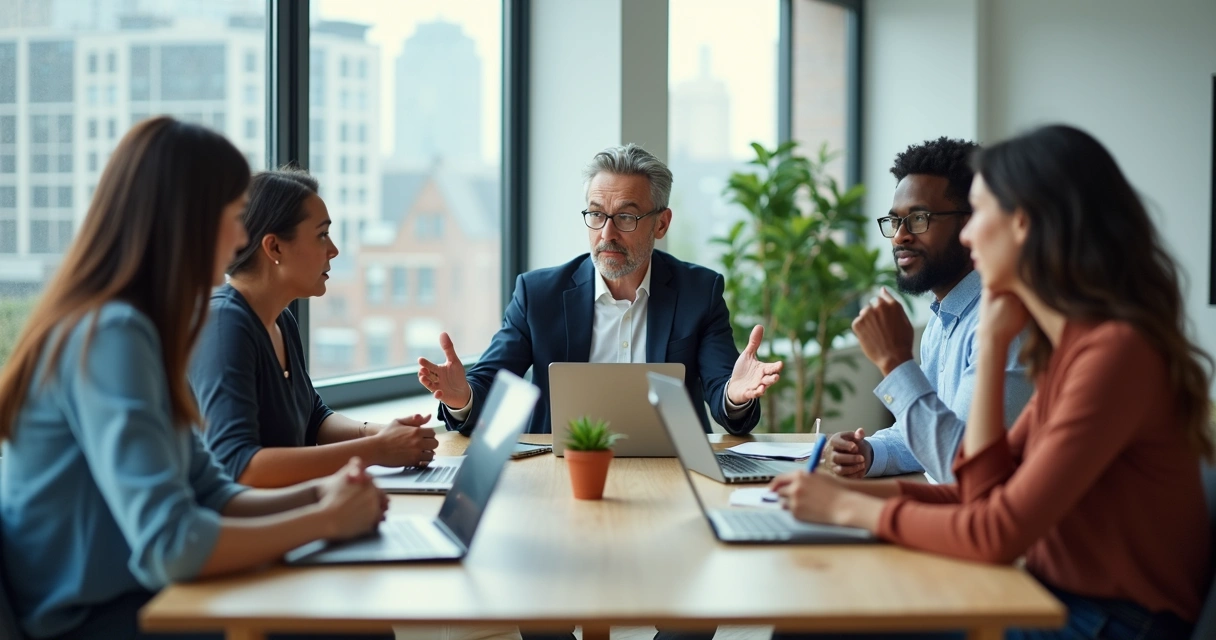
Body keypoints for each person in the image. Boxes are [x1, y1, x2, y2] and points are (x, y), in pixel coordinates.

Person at [771, 124, 1210, 639]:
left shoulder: (1115, 354)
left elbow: (995, 531)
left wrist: (847, 507)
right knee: (819, 616)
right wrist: (848, 500)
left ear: (1022, 223)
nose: (971, 234)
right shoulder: (1069, 348)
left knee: (819, 628)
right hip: (1054, 599)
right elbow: (984, 491)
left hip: (1108, 622)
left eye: (982, 216)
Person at [0, 117, 391, 640]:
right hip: (93, 619)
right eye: (232, 216)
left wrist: (324, 495)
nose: (239, 237)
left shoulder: (144, 327)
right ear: (186, 221)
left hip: (135, 595)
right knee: (343, 626)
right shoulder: (111, 334)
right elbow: (171, 545)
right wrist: (323, 520)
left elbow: (215, 493)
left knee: (350, 622)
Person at [418, 143, 783, 440]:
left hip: (671, 471)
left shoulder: (698, 292)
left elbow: (726, 397)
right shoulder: (538, 294)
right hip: (561, 473)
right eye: (596, 215)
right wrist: (461, 397)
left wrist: (735, 396)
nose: (606, 234)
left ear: (661, 223)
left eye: (626, 217)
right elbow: (486, 386)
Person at [189, 168, 439, 488]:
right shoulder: (224, 328)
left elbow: (314, 419)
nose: (333, 250)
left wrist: (384, 433)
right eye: (322, 235)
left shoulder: (280, 319)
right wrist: (377, 449)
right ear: (275, 248)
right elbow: (240, 466)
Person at [826, 137, 1033, 483]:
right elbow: (928, 431)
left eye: (919, 219)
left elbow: (964, 471)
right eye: (895, 222)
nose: (899, 237)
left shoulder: (1006, 323)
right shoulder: (943, 319)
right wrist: (868, 453)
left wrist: (894, 361)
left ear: (971, 225)